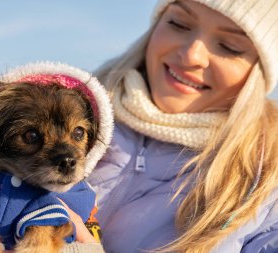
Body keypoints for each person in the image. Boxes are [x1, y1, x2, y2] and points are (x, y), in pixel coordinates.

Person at [67, 0, 278, 252]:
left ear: (260, 70)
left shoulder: (266, 188)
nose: (191, 55)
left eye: (229, 47)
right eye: (178, 23)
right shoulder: (64, 110)